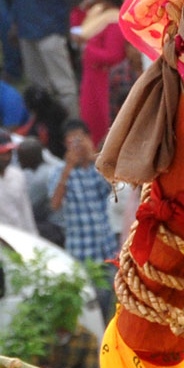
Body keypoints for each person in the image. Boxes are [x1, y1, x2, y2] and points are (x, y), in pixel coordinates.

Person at [49, 119, 118, 317]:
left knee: (108, 304)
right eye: (73, 141)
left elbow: (115, 186)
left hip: (105, 250)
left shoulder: (97, 169)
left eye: (82, 139)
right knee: (88, 307)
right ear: (65, 145)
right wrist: (68, 168)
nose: (78, 145)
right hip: (81, 254)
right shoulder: (59, 171)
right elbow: (55, 204)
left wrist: (95, 157)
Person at [72, 0, 130, 145]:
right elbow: (78, 26)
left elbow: (114, 55)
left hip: (102, 80)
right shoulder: (97, 11)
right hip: (90, 77)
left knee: (100, 121)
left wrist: (88, 49)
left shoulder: (114, 20)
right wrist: (83, 7)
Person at [16, 136, 64, 245]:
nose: (18, 161)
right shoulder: (50, 166)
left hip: (58, 227)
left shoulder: (40, 178)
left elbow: (28, 207)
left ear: (30, 158)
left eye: (21, 157)